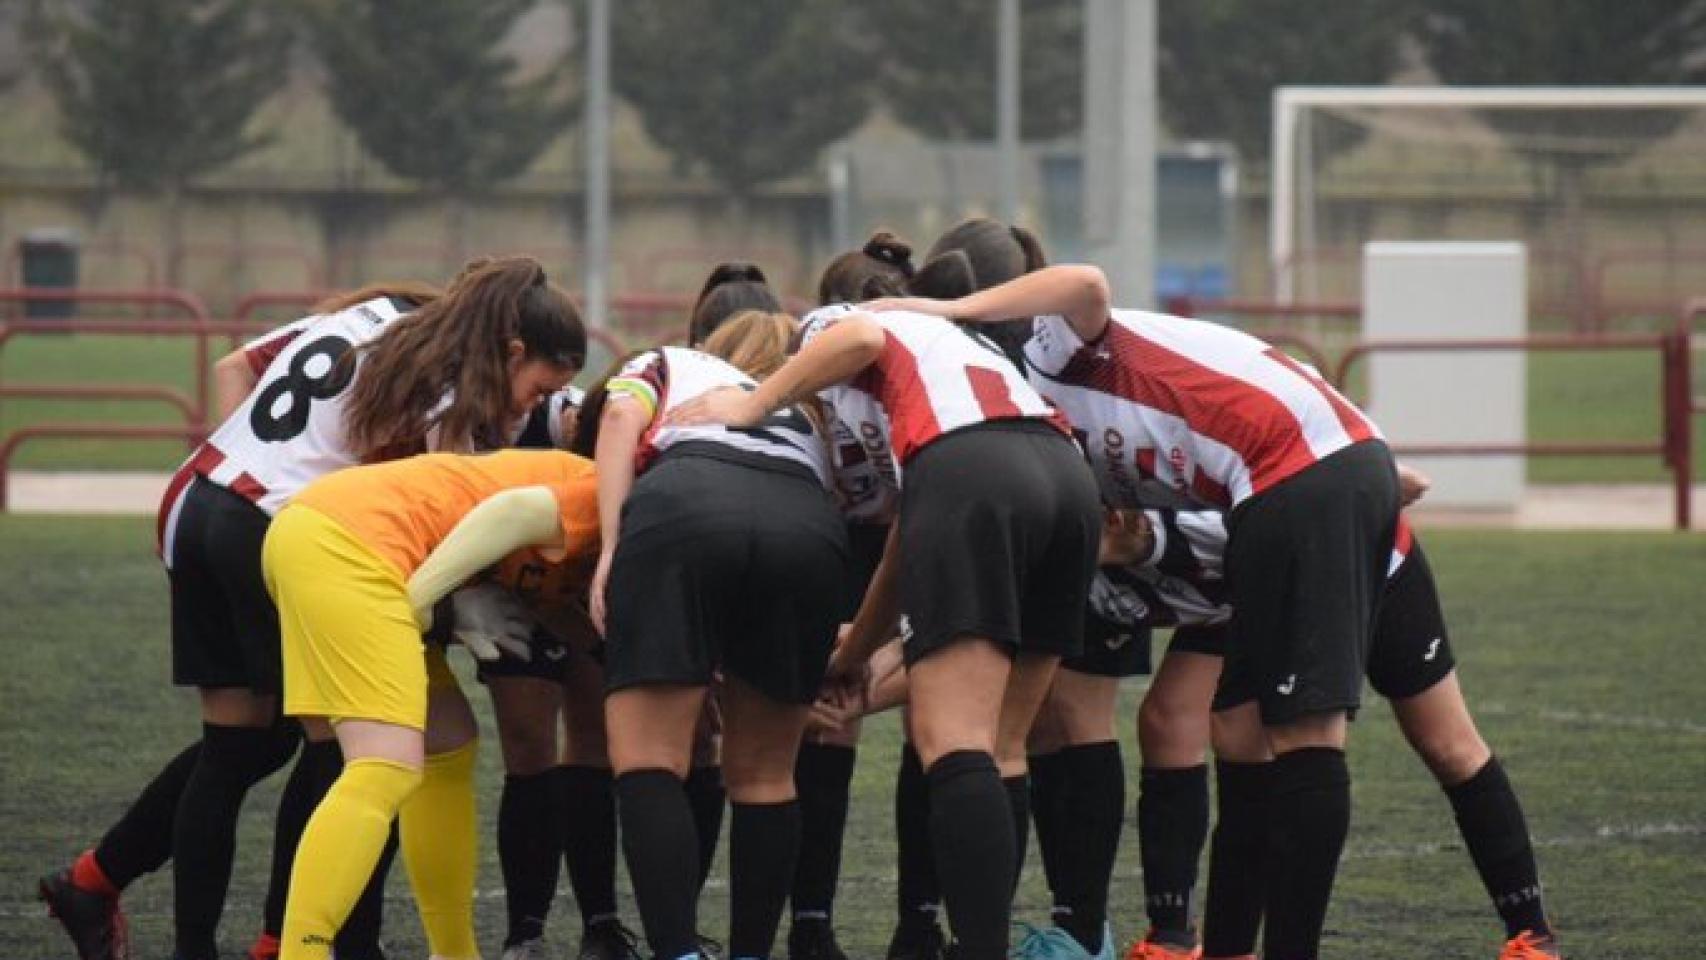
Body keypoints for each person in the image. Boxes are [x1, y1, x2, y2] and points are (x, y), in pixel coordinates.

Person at [39, 258, 584, 960]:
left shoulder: (382, 309)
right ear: (511, 348)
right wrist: (459, 607)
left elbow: (238, 365)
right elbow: (444, 515)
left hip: (199, 496)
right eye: (535, 389)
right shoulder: (452, 377)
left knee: (243, 743)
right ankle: (287, 941)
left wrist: (262, 459)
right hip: (275, 525)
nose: (522, 412)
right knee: (350, 749)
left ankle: (119, 900)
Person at [868, 262, 1401, 960]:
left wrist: (940, 306)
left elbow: (1087, 283)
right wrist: (860, 665)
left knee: (1306, 734)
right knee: (1240, 733)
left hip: (1299, 475)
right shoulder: (1021, 438)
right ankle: (1223, 946)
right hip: (1269, 498)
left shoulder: (1045, 359)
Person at [668, 298, 1102, 959]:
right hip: (1066, 479)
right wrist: (858, 650)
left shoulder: (829, 332)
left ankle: (980, 950)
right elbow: (911, 537)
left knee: (950, 739)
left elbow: (862, 336)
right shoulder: (944, 359)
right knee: (1001, 746)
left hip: (974, 465)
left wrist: (750, 408)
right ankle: (983, 943)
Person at [1093, 506, 1560, 960]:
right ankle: (1192, 941)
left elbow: (1315, 482)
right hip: (1249, 590)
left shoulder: (1206, 518)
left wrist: (1372, 474)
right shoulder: (1100, 521)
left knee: (1444, 743)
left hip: (1361, 559)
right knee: (1202, 727)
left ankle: (1532, 937)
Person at [578, 310, 848, 960]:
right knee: (765, 775)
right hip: (805, 524)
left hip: (685, 502)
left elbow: (618, 419)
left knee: (649, 760)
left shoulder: (670, 360)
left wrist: (611, 546)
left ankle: (679, 953)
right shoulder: (812, 407)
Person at [263, 448, 600, 960]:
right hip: (353, 543)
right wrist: (428, 602)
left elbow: (565, 610)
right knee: (382, 765)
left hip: (328, 532)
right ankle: (301, 953)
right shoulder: (606, 494)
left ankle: (455, 953)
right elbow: (509, 513)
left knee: (447, 745)